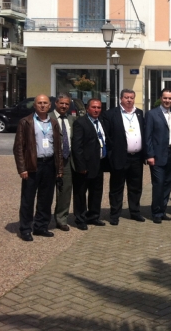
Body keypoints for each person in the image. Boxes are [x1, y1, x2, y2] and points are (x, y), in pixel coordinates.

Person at [13, 94, 64, 241]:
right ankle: (25, 229)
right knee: (28, 199)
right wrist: (22, 168)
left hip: (49, 164)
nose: (42, 105)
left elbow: (58, 148)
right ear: (34, 105)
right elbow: (18, 147)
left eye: (45, 103)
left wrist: (59, 168)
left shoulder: (53, 123)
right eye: (40, 103)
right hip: (32, 165)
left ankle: (41, 226)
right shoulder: (26, 122)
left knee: (46, 198)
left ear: (50, 105)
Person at [104, 89, 146, 226]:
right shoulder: (111, 114)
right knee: (117, 188)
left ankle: (135, 212)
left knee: (136, 187)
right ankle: (115, 214)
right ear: (120, 99)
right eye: (126, 97)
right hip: (119, 157)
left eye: (131, 98)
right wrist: (111, 155)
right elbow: (107, 136)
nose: (129, 100)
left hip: (136, 158)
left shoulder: (139, 113)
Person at [72, 98, 109, 230]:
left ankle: (93, 216)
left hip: (99, 163)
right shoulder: (80, 123)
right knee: (80, 193)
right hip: (85, 166)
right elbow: (77, 147)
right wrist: (81, 166)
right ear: (87, 108)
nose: (96, 110)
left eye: (99, 107)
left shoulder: (101, 121)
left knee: (96, 192)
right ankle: (80, 219)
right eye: (93, 107)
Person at [145, 89, 171, 224]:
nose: (167, 101)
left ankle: (163, 210)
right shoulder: (152, 114)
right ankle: (156, 212)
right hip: (157, 155)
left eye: (170, 98)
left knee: (167, 185)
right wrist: (150, 155)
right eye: (165, 98)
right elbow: (148, 136)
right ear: (160, 98)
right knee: (158, 185)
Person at [49, 93, 75, 231]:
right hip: (50, 160)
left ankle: (61, 219)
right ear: (56, 104)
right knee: (46, 192)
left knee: (65, 191)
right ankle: (42, 220)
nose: (64, 106)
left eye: (67, 104)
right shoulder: (48, 118)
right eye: (62, 103)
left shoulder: (72, 119)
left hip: (66, 161)